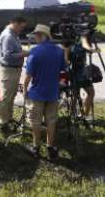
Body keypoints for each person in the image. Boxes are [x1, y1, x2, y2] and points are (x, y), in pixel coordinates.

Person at [23, 24, 66, 160]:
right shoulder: (59, 51)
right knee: (51, 121)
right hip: (53, 93)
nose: (35, 38)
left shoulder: (34, 52)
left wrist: (24, 90)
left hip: (37, 93)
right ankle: (50, 147)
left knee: (35, 122)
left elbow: (28, 76)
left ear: (42, 36)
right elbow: (63, 69)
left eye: (36, 35)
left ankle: (36, 148)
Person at [0, 16, 29, 134]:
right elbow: (7, 55)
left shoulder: (13, 34)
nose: (21, 30)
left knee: (11, 95)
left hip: (14, 70)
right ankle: (3, 123)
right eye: (21, 27)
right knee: (7, 97)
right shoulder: (8, 36)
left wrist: (22, 51)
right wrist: (23, 54)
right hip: (9, 70)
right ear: (14, 23)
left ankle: (8, 119)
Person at [63, 35, 97, 123]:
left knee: (74, 94)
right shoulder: (82, 36)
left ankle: (72, 115)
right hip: (82, 73)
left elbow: (66, 61)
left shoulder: (67, 43)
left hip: (72, 72)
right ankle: (84, 115)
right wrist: (93, 50)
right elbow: (86, 46)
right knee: (91, 92)